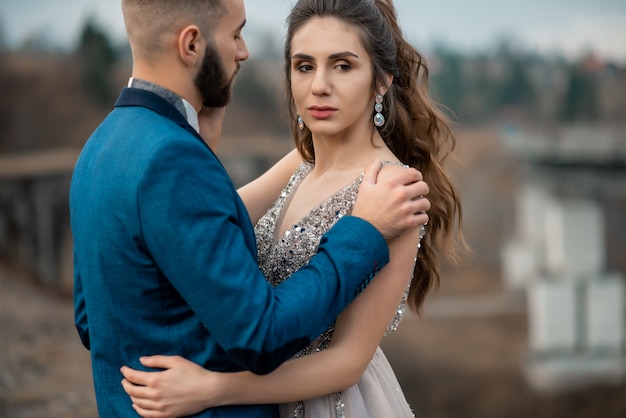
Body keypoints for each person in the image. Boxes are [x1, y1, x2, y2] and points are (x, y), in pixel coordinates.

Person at [69, 0, 431, 416]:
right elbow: (193, 230)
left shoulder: (392, 190)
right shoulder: (295, 166)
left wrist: (213, 388)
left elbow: (349, 361)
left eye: (343, 66)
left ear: (381, 80)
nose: (319, 86)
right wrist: (201, 147)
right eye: (304, 66)